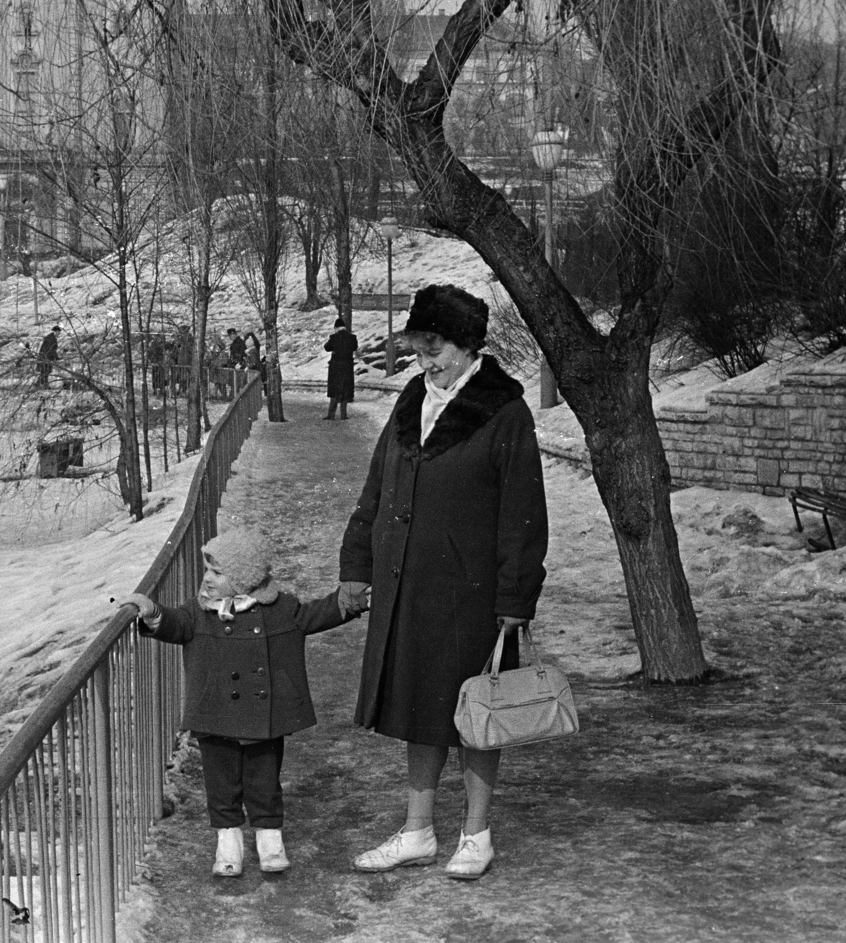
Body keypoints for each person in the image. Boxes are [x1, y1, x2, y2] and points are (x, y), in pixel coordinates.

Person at [337, 283, 549, 882]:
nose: (425, 362)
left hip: (473, 594)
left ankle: (476, 835)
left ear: (468, 345)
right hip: (408, 583)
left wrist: (515, 600)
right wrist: (356, 563)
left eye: (436, 349)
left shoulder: (504, 411)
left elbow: (524, 513)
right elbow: (375, 490)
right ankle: (417, 831)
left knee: (477, 711)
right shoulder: (412, 401)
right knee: (418, 708)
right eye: (420, 348)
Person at [119, 527, 369, 877]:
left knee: (264, 779)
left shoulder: (281, 609)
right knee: (220, 783)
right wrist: (153, 612)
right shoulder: (199, 611)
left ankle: (270, 840)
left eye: (218, 572)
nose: (207, 578)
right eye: (208, 570)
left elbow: (317, 614)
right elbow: (174, 623)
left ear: (244, 579)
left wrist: (349, 600)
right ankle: (228, 842)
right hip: (214, 710)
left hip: (261, 717)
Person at [323, 316, 359, 420]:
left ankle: (331, 414)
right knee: (345, 390)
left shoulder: (334, 338)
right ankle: (344, 415)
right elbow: (355, 347)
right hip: (347, 368)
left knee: (334, 390)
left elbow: (326, 348)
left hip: (335, 368)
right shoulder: (352, 338)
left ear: (336, 327)